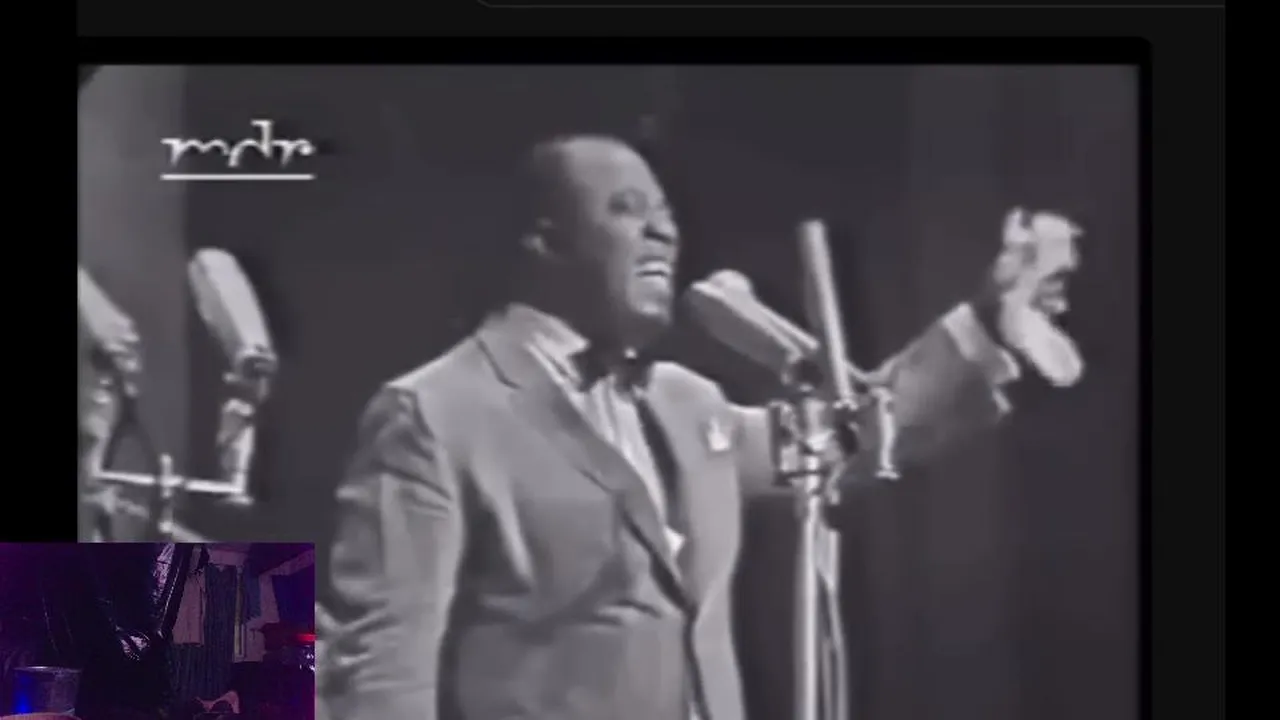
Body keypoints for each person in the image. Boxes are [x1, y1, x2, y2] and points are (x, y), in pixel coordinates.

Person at [320, 134, 1083, 720]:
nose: (663, 231)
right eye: (628, 209)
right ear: (546, 239)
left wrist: (986, 325)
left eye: (667, 215)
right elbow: (385, 675)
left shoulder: (685, 404)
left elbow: (850, 440)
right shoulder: (434, 413)